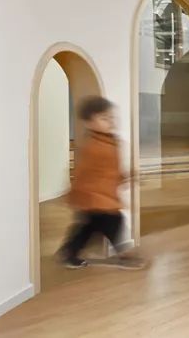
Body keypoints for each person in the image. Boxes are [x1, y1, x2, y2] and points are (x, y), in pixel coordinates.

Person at [57, 96, 146, 270]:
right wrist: (75, 194)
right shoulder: (93, 147)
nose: (111, 121)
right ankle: (124, 255)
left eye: (111, 117)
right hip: (95, 197)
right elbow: (82, 173)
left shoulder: (111, 143)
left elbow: (112, 172)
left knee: (88, 227)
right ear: (89, 123)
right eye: (104, 118)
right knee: (114, 221)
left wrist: (128, 176)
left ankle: (68, 252)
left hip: (105, 195)